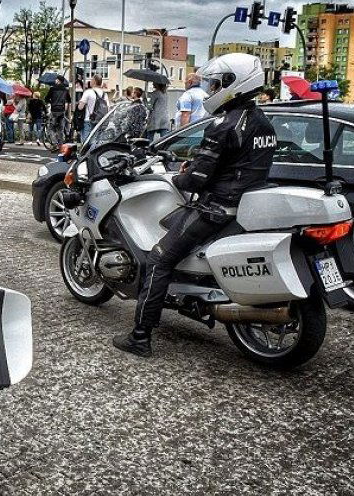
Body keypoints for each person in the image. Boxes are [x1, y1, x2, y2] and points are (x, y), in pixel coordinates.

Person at [113, 53, 276, 357]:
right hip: (244, 204)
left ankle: (140, 337)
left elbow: (195, 181)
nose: (211, 89)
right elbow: (236, 164)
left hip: (217, 207)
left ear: (233, 84)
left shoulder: (224, 125)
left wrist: (178, 178)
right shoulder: (262, 122)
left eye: (216, 84)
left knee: (158, 260)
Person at [78, 75, 108, 140]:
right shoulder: (105, 94)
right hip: (100, 122)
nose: (90, 81)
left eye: (91, 80)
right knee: (96, 143)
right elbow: (108, 108)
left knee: (86, 143)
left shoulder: (88, 92)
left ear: (94, 81)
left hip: (88, 121)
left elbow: (80, 107)